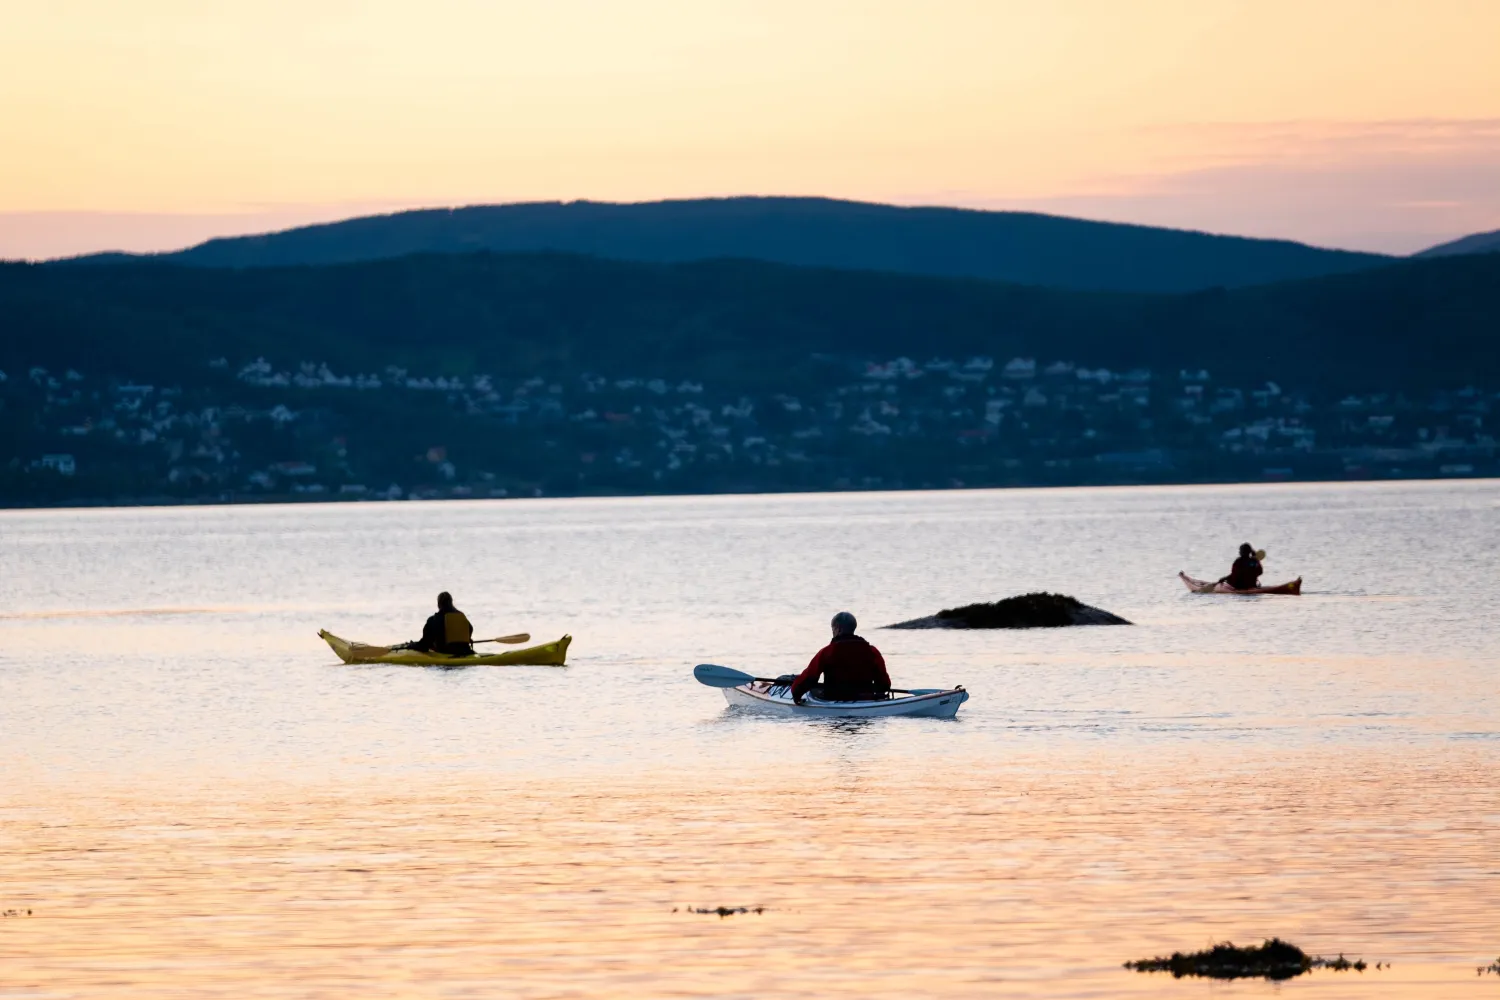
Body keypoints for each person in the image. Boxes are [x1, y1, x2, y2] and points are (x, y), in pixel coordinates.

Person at [788, 611, 892, 704]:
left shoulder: (828, 651)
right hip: (865, 699)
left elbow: (809, 677)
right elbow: (884, 684)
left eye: (832, 628)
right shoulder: (872, 651)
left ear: (838, 629)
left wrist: (795, 693)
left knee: (813, 690)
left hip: (834, 699)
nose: (832, 632)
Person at [411, 591, 475, 656]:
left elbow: (424, 645)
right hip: (466, 651)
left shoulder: (434, 619)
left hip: (445, 652)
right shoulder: (461, 616)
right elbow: (470, 628)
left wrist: (411, 646)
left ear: (439, 604)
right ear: (451, 602)